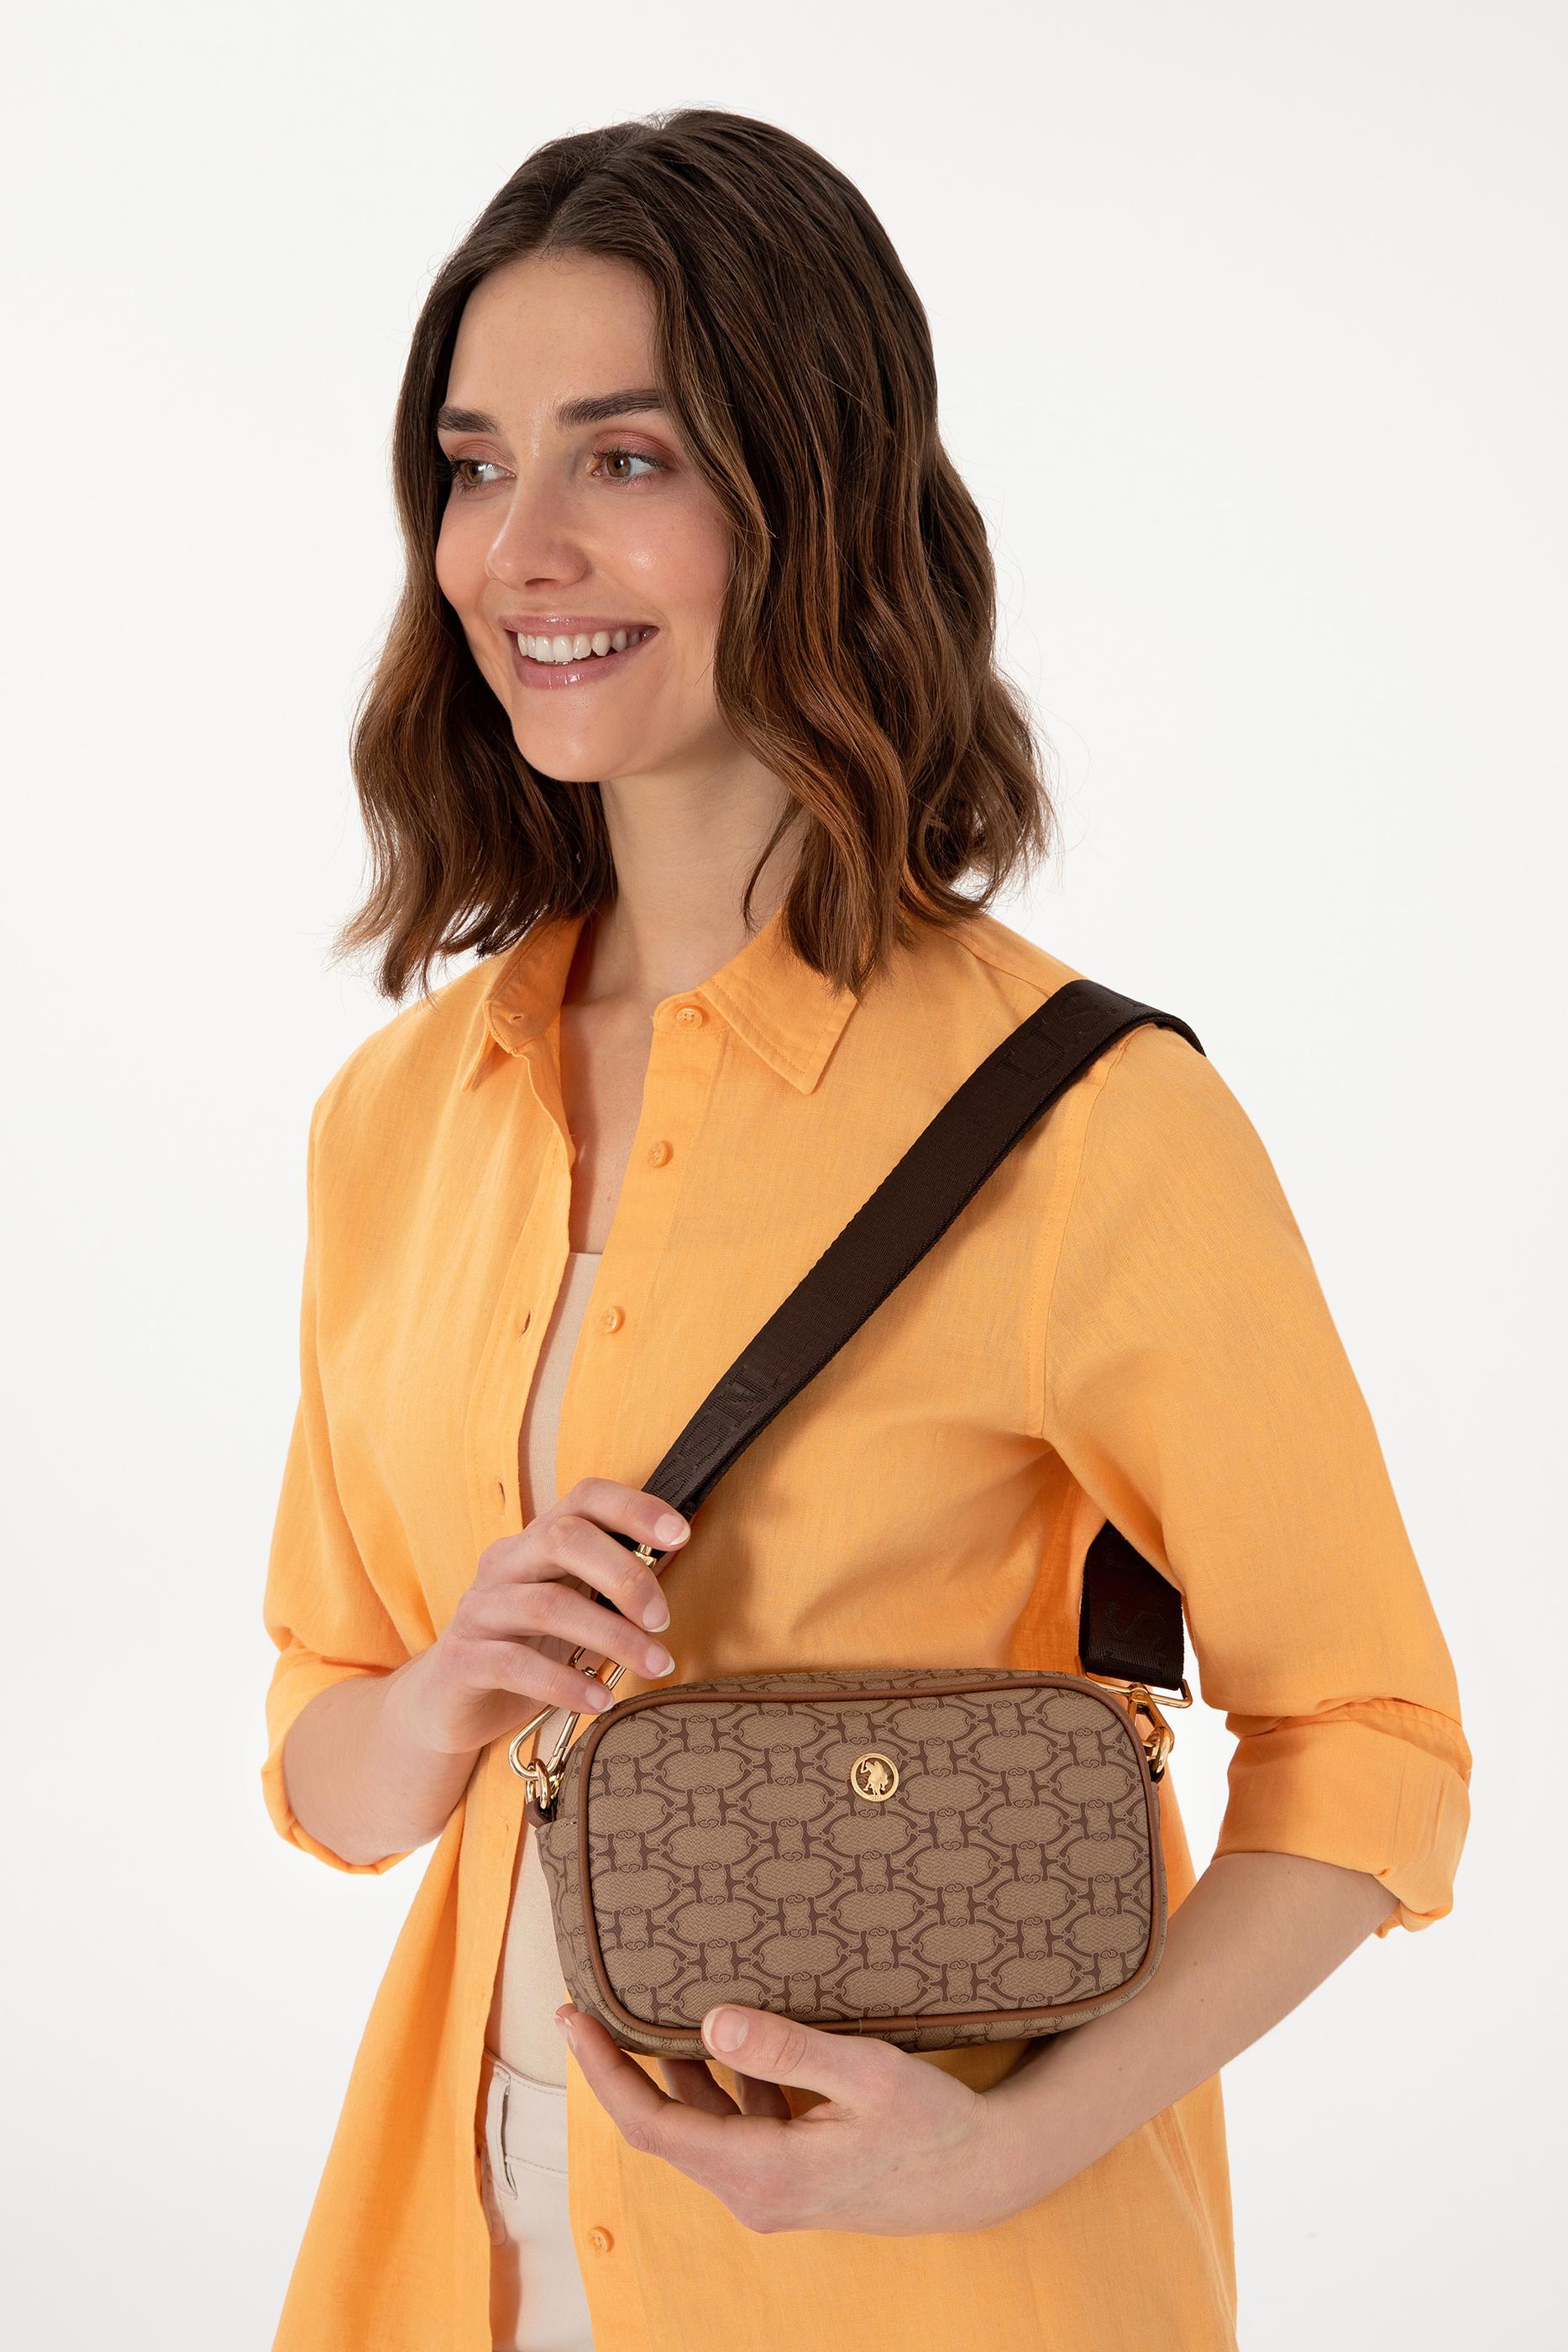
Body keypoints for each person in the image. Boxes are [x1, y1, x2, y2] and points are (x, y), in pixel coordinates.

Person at [259, 107, 1471, 2352]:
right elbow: (323, 1756)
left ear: (810, 494)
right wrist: (450, 1686)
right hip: (480, 2260)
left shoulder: (1091, 1122)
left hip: (949, 2286)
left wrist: (1006, 2146)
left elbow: (1376, 1744)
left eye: (627, 459)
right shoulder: (400, 1118)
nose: (519, 546)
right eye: (472, 464)